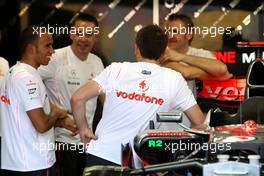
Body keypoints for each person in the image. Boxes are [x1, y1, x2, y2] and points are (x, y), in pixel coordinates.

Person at [71, 24, 205, 166]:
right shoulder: (174, 79)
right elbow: (200, 123)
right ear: (164, 53)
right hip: (140, 162)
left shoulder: (116, 70)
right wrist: (176, 152)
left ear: (136, 48)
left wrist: (84, 129)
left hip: (102, 155)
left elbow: (77, 98)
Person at [0, 26, 76, 176]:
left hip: (15, 164)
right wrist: (57, 112)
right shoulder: (27, 78)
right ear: (30, 49)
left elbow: (25, 117)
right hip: (35, 164)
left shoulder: (12, 72)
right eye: (47, 45)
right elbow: (41, 125)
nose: (52, 51)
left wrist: (62, 121)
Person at [38, 13, 104, 176]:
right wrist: (58, 115)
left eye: (89, 34)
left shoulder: (97, 62)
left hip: (86, 141)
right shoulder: (55, 58)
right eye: (79, 33)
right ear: (71, 33)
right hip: (60, 140)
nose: (84, 38)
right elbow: (30, 88)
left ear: (96, 36)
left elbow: (106, 98)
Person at [162, 14, 233, 97]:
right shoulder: (160, 54)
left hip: (188, 109)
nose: (170, 36)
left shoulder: (199, 53)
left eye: (175, 32)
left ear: (189, 35)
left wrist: (181, 57)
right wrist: (215, 76)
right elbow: (186, 73)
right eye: (167, 31)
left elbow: (221, 69)